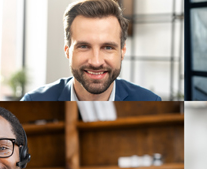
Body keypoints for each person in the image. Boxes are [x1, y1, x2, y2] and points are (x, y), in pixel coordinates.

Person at [21, 0, 160, 101]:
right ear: (67, 50)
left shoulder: (151, 102)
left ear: (123, 51)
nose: (96, 61)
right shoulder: (32, 101)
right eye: (84, 46)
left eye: (108, 47)